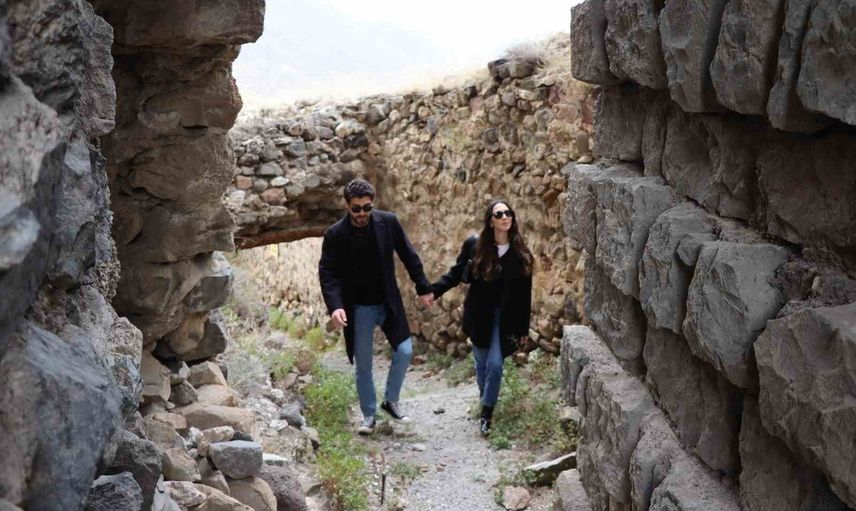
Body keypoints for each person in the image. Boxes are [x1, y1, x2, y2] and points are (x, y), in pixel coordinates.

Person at [318, 179, 434, 435]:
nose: (362, 213)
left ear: (373, 203)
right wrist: (335, 307)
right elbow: (327, 274)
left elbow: (408, 254)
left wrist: (423, 286)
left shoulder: (388, 222)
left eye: (367, 208)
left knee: (405, 350)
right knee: (364, 365)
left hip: (388, 302)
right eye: (356, 208)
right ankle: (369, 415)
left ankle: (390, 401)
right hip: (358, 308)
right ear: (347, 206)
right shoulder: (335, 234)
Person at [431, 199, 533, 435]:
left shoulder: (520, 254)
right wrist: (433, 291)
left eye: (508, 213)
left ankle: (487, 414)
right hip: (479, 315)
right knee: (482, 366)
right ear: (490, 221)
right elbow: (457, 274)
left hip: (505, 319)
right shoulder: (475, 247)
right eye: (499, 214)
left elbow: (524, 295)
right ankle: (485, 399)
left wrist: (523, 329)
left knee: (495, 365)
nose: (505, 217)